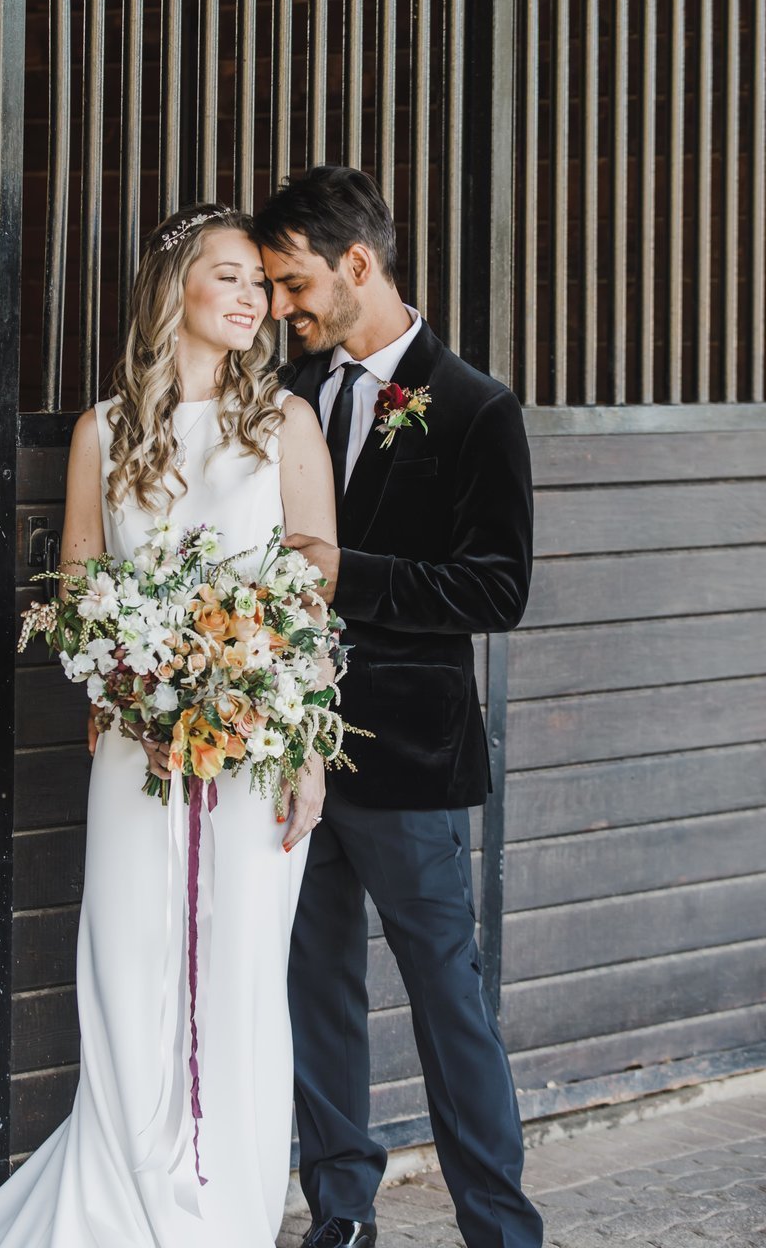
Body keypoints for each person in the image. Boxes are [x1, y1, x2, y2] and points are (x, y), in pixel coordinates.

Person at [0, 205, 336, 1247]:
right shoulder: (105, 430)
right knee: (128, 957)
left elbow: (314, 569)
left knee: (241, 972)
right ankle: (126, 1203)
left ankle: (228, 1213)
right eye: (232, 276)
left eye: (261, 282)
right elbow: (77, 585)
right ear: (174, 291)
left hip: (259, 736)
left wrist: (300, 736)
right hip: (136, 743)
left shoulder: (285, 423)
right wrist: (132, 688)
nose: (254, 299)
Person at [253, 167, 544, 1248]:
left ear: (358, 266)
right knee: (315, 990)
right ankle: (341, 1214)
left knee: (446, 1003)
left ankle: (500, 1230)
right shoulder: (291, 394)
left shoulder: (474, 406)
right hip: (288, 751)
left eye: (294, 284)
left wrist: (345, 573)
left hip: (410, 759)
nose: (282, 307)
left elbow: (496, 590)